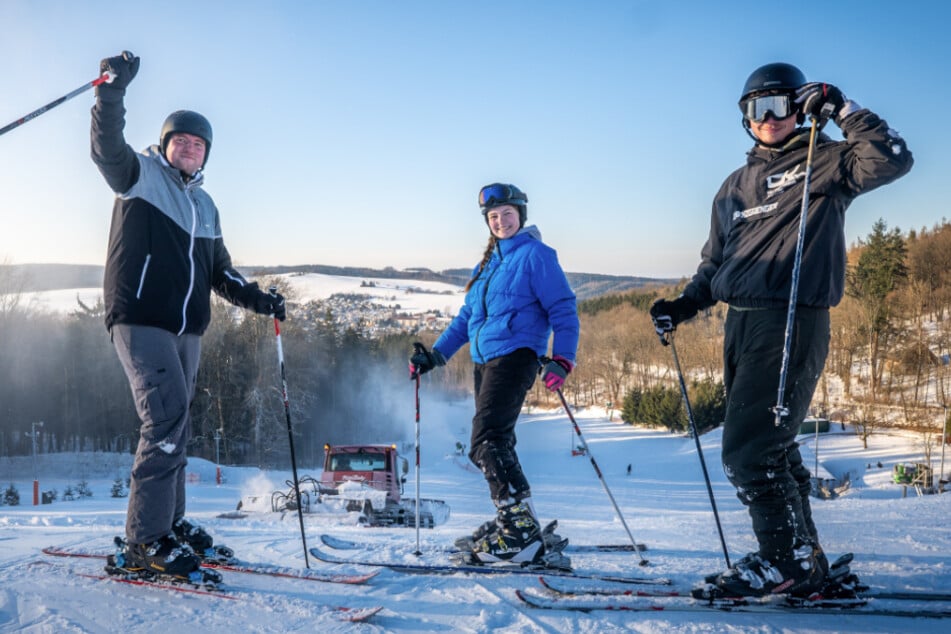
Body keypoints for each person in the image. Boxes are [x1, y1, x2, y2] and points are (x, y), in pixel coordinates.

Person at [650, 62, 912, 598]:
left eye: (780, 105)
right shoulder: (733, 187)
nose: (768, 118)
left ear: (800, 108)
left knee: (748, 453)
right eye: (756, 108)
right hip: (740, 325)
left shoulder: (825, 160)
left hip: (791, 317)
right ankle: (802, 559)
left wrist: (842, 109)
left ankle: (782, 561)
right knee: (775, 448)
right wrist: (683, 305)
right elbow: (715, 264)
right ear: (744, 118)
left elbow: (892, 159)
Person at [91, 52, 287, 580]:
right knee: (164, 421)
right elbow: (107, 151)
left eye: (198, 145)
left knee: (178, 424)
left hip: (186, 331)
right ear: (167, 144)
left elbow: (222, 273)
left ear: (206, 156)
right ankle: (144, 541)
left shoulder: (207, 207)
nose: (189, 149)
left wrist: (260, 300)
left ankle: (170, 525)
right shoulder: (140, 177)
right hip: (140, 319)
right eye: (181, 140)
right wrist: (111, 94)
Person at [410, 183, 579, 569]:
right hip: (485, 360)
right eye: (493, 217)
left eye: (507, 214)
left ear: (520, 214)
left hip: (516, 355)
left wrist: (562, 359)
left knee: (485, 442)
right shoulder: (487, 265)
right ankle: (521, 521)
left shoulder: (536, 255)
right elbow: (467, 319)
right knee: (497, 441)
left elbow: (564, 309)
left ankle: (518, 532)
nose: (500, 222)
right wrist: (435, 356)